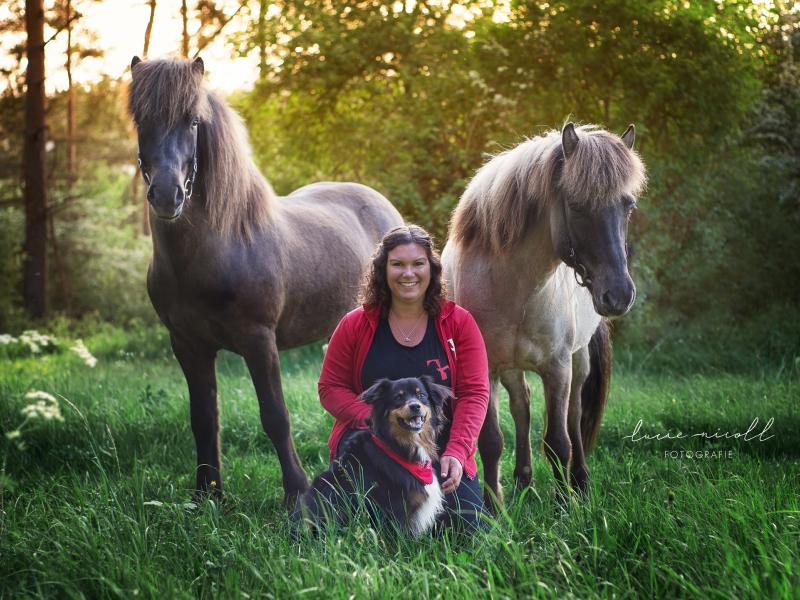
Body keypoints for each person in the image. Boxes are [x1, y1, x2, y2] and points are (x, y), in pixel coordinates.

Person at [318, 224, 490, 529]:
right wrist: (373, 418)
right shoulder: (355, 324)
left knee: (468, 527)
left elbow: (475, 393)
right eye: (397, 264)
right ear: (383, 270)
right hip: (371, 443)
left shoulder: (460, 323)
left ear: (432, 269)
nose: (408, 273)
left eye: (417, 264)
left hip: (436, 443)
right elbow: (330, 387)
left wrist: (458, 452)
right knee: (362, 525)